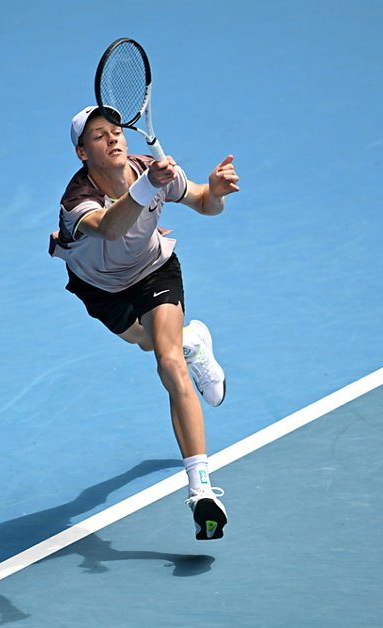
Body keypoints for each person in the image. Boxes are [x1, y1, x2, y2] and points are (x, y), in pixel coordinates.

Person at [49, 106, 240, 540]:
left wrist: (216, 192)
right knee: (146, 341)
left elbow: (204, 203)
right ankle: (193, 343)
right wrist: (148, 185)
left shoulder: (149, 169)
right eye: (98, 136)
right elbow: (110, 228)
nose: (112, 138)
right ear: (82, 152)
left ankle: (201, 489)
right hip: (101, 287)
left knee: (168, 363)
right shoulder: (76, 201)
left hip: (154, 270)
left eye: (116, 131)